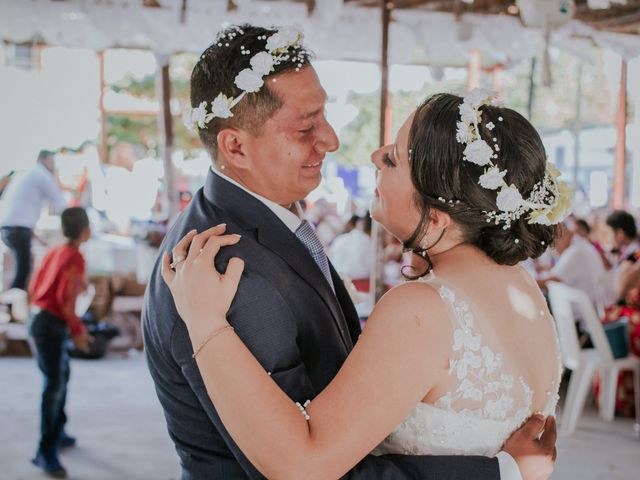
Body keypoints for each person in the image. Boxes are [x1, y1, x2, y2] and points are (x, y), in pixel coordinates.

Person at [143, 25, 557, 480]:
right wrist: (502, 472)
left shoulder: (425, 304)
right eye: (306, 126)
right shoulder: (223, 266)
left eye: (394, 159)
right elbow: (303, 466)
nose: (334, 140)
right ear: (235, 145)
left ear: (439, 218)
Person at [28, 207, 93, 478]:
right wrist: (78, 332)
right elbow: (67, 303)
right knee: (53, 387)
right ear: (86, 231)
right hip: (51, 326)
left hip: (40, 321)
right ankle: (46, 452)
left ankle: (59, 431)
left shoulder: (53, 251)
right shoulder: (75, 257)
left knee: (61, 376)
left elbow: (35, 287)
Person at [0, 150, 67, 290]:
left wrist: (36, 236)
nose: (53, 166)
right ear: (43, 160)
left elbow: (21, 213)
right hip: (17, 228)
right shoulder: (41, 175)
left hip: (9, 226)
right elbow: (60, 204)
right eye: (52, 162)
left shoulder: (27, 174)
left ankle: (12, 303)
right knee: (23, 272)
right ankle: (12, 306)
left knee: (19, 269)